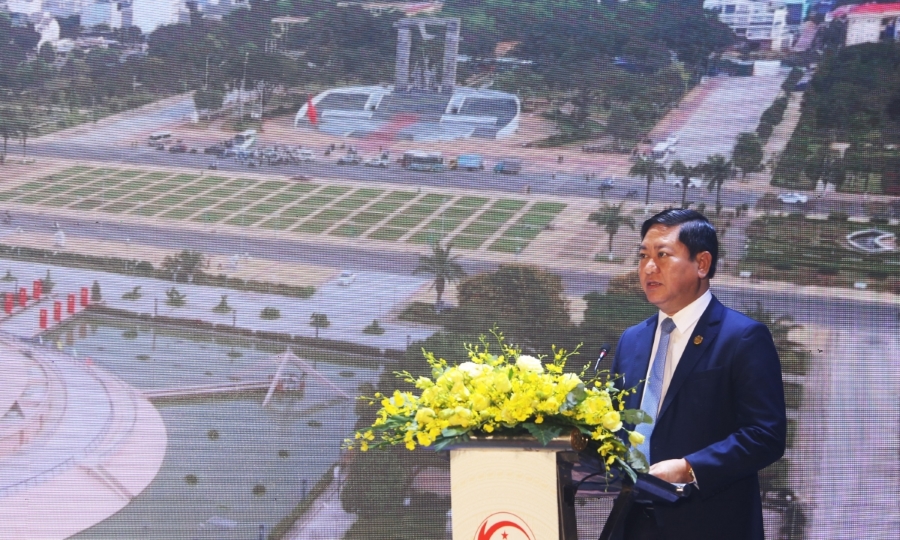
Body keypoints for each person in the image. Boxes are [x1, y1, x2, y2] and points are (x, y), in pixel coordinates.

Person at [611, 208, 786, 539]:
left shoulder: (742, 338)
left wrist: (689, 468)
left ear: (702, 264)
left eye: (662, 255)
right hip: (633, 523)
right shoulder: (631, 340)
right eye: (643, 255)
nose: (648, 267)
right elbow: (617, 426)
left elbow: (765, 435)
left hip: (709, 525)